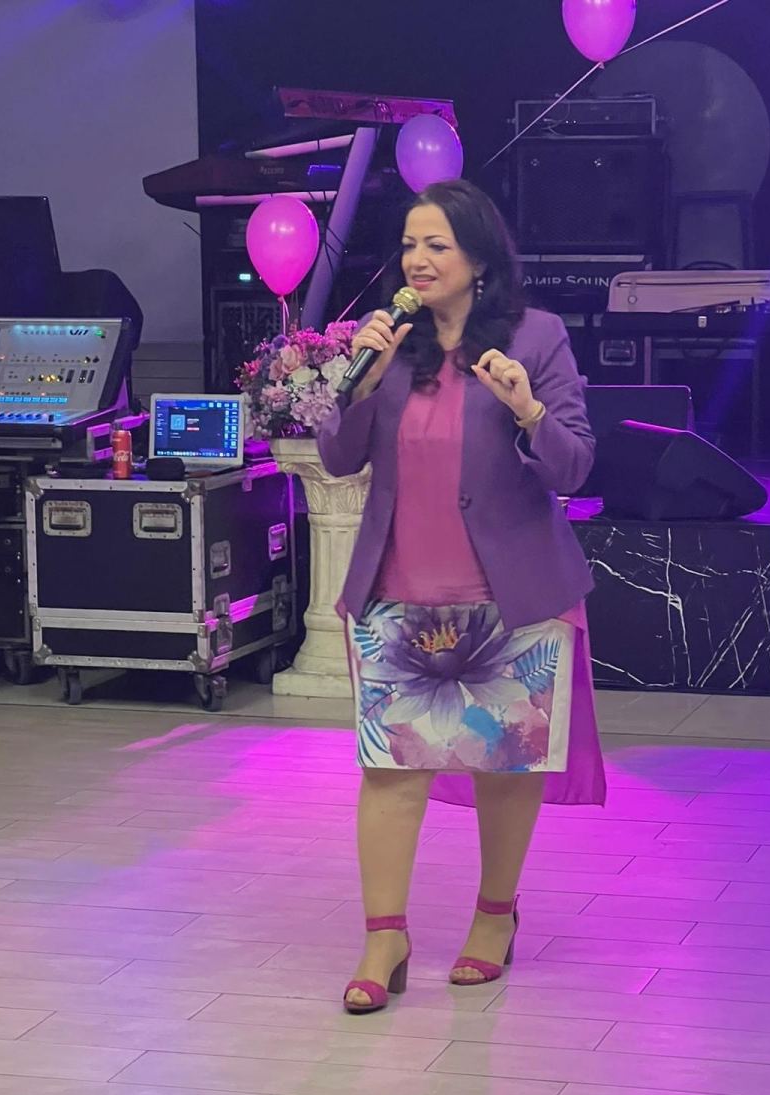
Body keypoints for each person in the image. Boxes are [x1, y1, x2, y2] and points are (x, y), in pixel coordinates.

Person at [317, 179, 606, 1015]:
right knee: (389, 771)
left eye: (436, 244)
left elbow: (574, 465)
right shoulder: (387, 345)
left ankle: (494, 915)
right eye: (410, 244)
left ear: (478, 259)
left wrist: (527, 409)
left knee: (505, 768)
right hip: (396, 593)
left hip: (512, 595)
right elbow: (336, 459)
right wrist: (358, 384)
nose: (418, 259)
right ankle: (385, 937)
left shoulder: (536, 337)